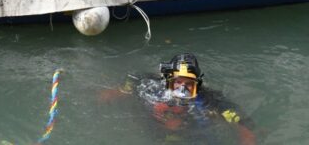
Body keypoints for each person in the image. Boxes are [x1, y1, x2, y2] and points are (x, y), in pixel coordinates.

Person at [101, 53, 256, 145]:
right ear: (167, 80)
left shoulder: (205, 97)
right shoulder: (153, 87)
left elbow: (229, 110)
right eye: (177, 83)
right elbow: (135, 77)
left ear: (198, 85)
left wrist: (245, 131)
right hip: (157, 130)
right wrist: (120, 91)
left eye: (188, 84)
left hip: (194, 134)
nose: (182, 89)